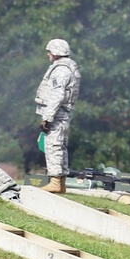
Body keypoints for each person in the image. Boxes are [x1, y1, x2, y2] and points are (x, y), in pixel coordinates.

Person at [34, 38, 81, 193]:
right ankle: (60, 182)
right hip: (62, 114)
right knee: (60, 146)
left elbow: (57, 94)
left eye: (50, 52)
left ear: (55, 53)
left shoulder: (60, 70)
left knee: (53, 146)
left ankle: (55, 181)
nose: (48, 54)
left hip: (57, 114)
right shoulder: (68, 67)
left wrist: (47, 117)